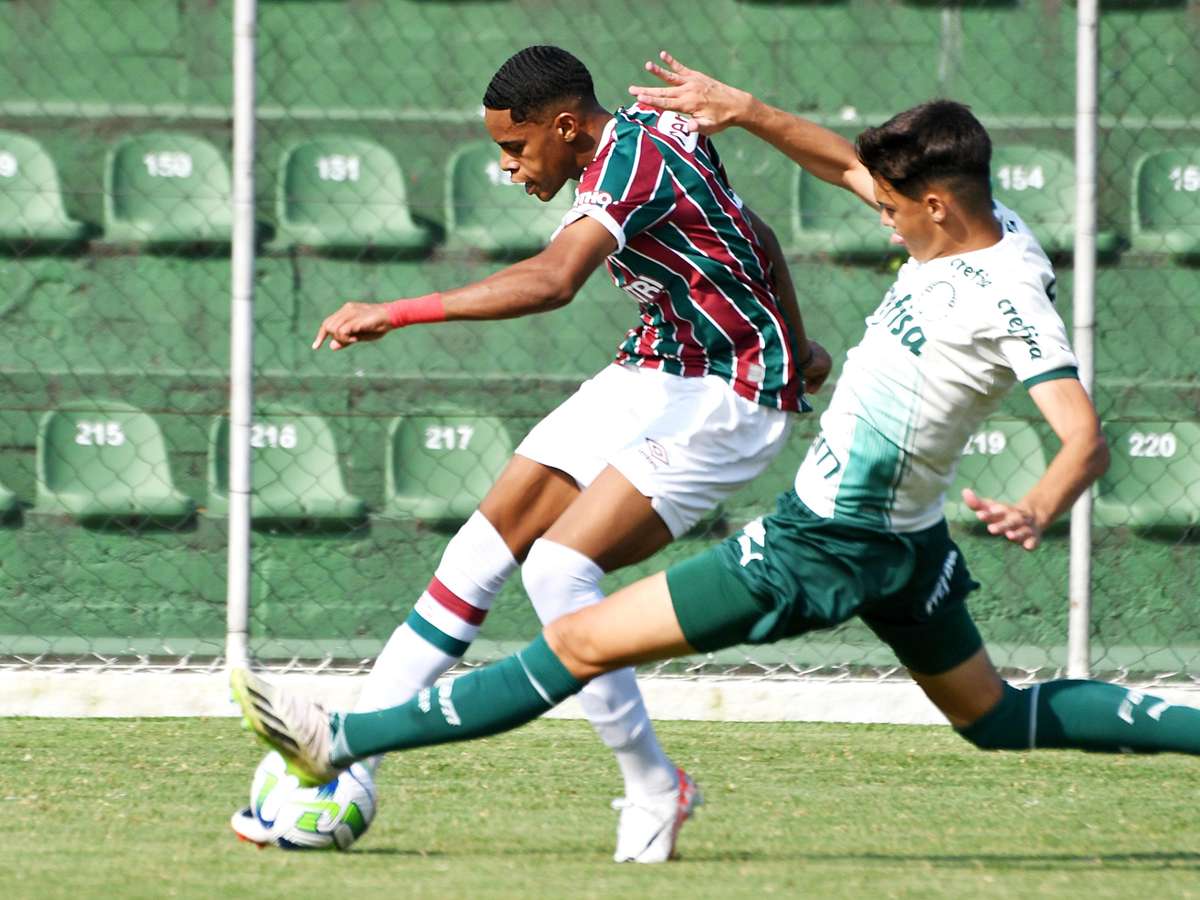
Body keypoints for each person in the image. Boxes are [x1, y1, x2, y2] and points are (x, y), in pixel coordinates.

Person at [235, 54, 1200, 860]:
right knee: (998, 718)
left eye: (895, 205)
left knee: (572, 618)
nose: (880, 214)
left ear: (939, 206)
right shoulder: (965, 228)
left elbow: (1085, 435)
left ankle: (348, 740)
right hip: (896, 536)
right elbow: (830, 178)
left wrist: (1039, 501)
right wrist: (746, 112)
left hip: (818, 533)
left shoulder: (1006, 292)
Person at [233, 46, 829, 864]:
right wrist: (796, 335)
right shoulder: (645, 137)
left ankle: (656, 786)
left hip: (729, 396)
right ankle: (350, 762)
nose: (509, 169)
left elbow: (554, 281)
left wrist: (399, 311)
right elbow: (749, 228)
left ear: (564, 125)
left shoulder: (633, 161)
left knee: (557, 571)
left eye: (515, 150)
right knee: (482, 546)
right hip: (655, 367)